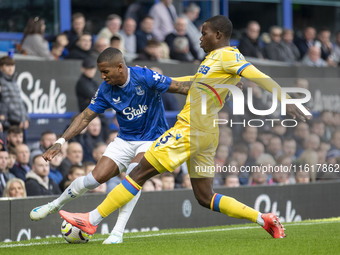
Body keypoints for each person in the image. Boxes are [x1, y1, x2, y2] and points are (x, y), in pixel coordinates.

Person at [58, 16, 309, 240]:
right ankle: (262, 218)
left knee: (138, 172)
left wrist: (284, 99)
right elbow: (199, 84)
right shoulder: (213, 60)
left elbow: (258, 75)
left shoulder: (229, 55)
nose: (199, 38)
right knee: (204, 196)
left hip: (190, 129)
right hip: (207, 133)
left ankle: (91, 220)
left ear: (218, 35)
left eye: (204, 33)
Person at [29, 47, 191, 244]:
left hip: (152, 139)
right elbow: (85, 117)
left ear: (120, 67)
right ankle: (54, 205)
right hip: (124, 140)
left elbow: (182, 87)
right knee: (93, 180)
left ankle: (117, 233)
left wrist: (214, 91)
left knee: (134, 175)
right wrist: (60, 141)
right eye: (100, 72)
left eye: (106, 72)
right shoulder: (106, 90)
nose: (103, 76)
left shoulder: (145, 76)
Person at [0, 57, 30, 132]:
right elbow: (5, 104)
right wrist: (17, 121)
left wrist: (25, 119)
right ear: (1, 67)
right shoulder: (1, 82)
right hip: (8, 125)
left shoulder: (14, 82)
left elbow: (19, 103)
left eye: (12, 65)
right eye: (7, 66)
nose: (11, 68)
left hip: (20, 124)